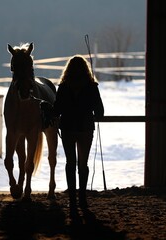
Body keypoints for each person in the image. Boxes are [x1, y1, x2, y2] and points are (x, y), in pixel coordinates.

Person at [53, 55, 104, 212]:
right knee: (83, 164)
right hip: (86, 129)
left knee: (70, 163)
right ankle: (82, 200)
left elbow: (57, 110)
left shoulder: (63, 87)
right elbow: (100, 112)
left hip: (68, 128)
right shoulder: (91, 86)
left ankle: (72, 201)